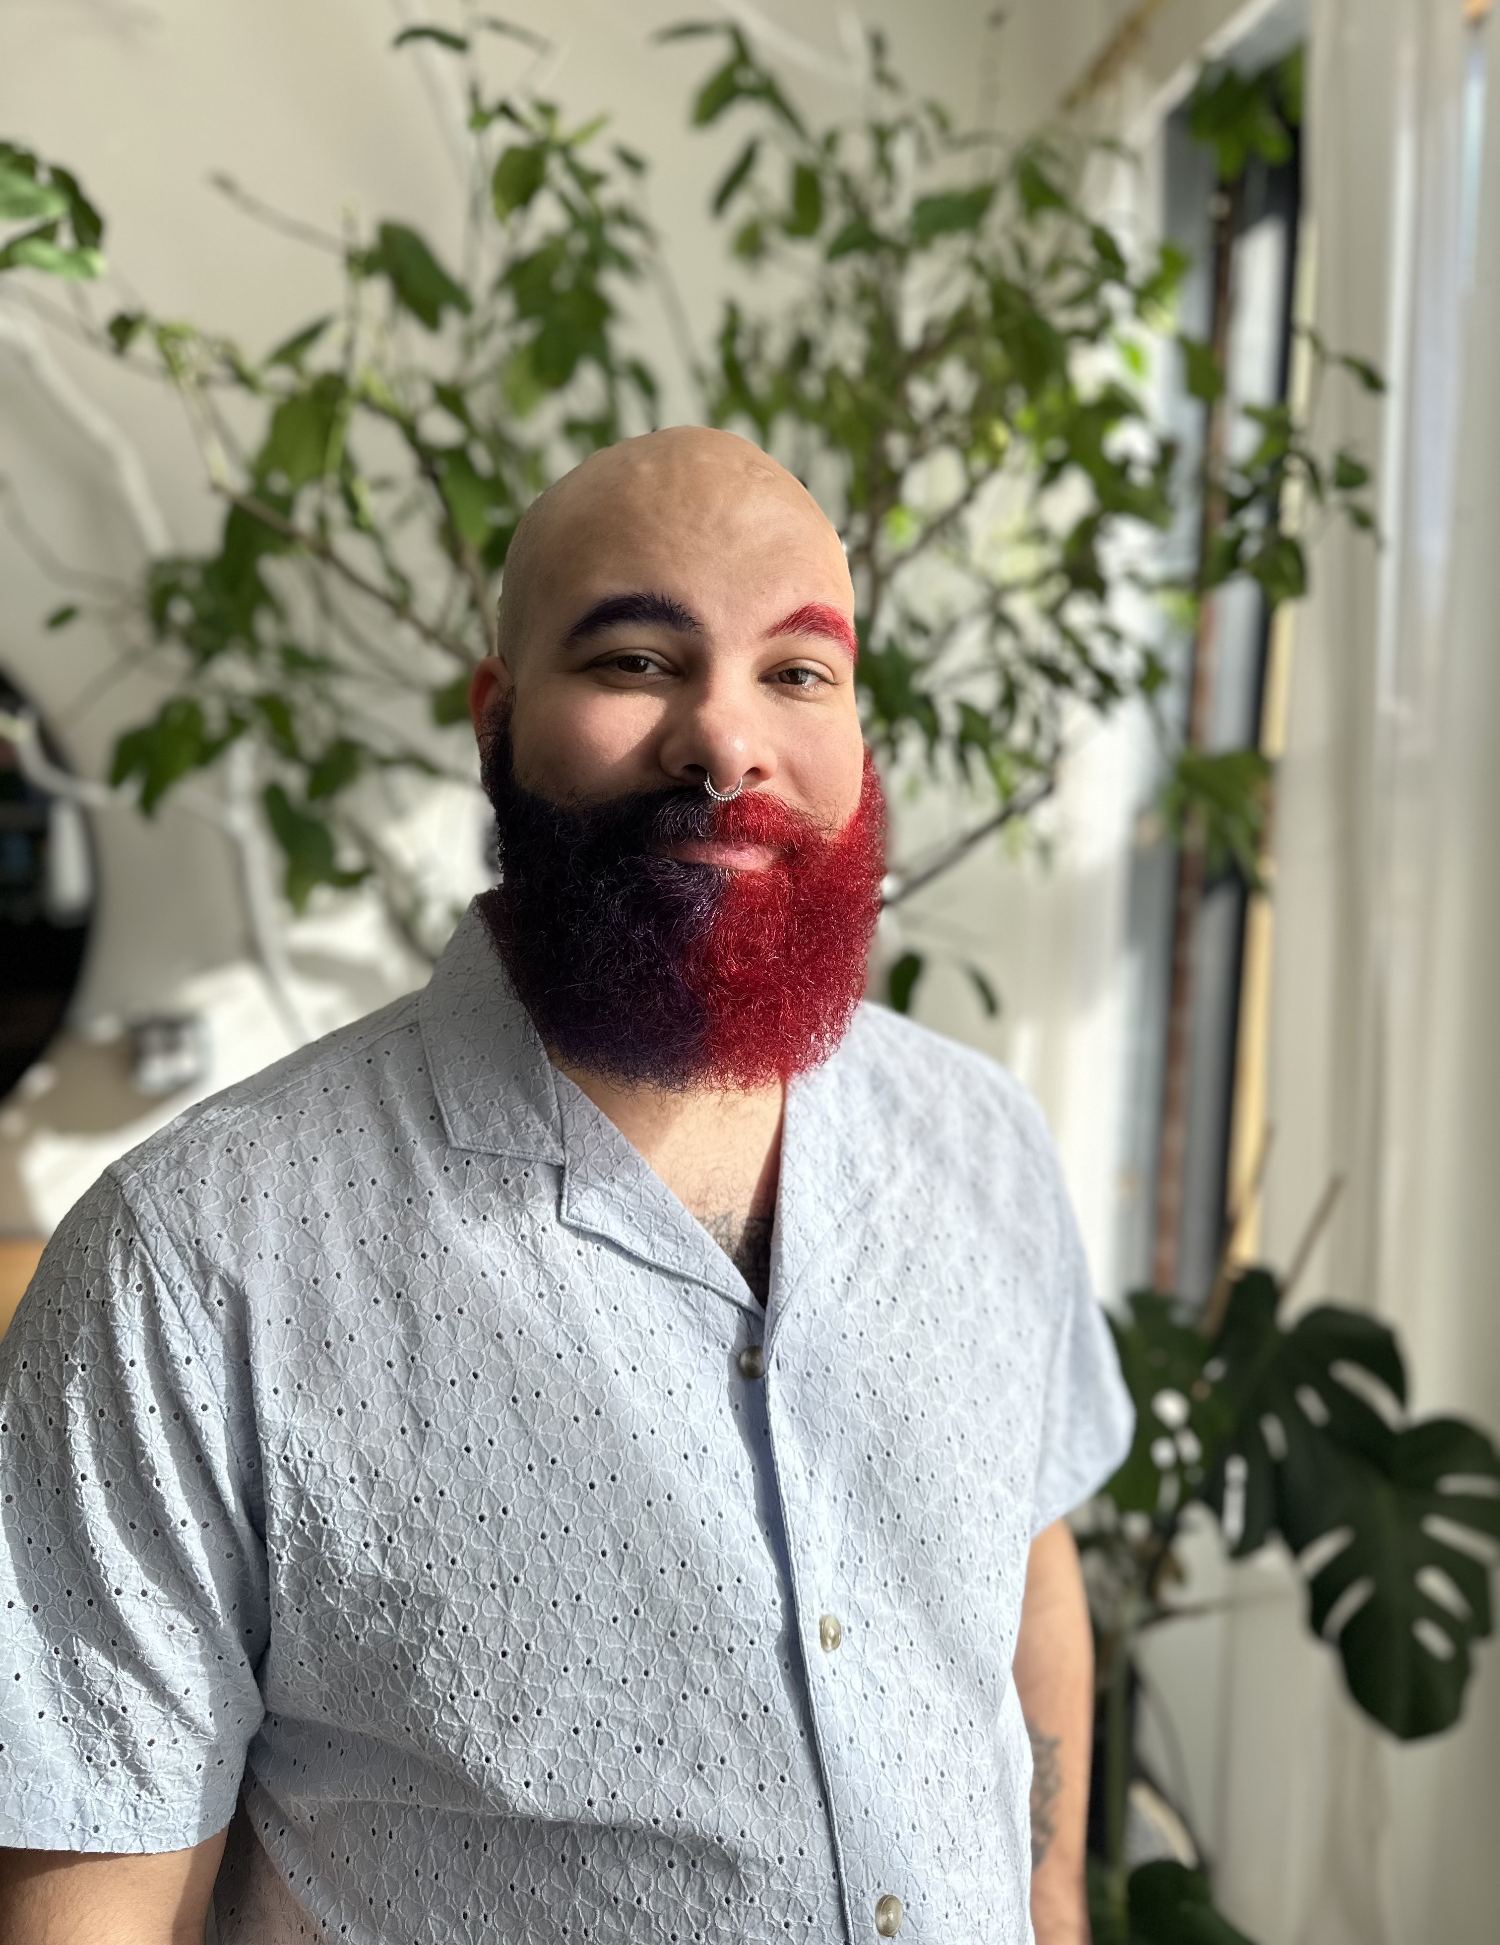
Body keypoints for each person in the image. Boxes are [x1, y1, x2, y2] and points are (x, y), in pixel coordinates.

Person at [0, 428, 1132, 1945]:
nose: (724, 742)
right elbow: (97, 1904)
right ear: (497, 723)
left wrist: (1051, 1897)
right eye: (637, 661)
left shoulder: (984, 1145)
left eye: (798, 672)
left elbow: (1027, 1573)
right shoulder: (194, 1267)